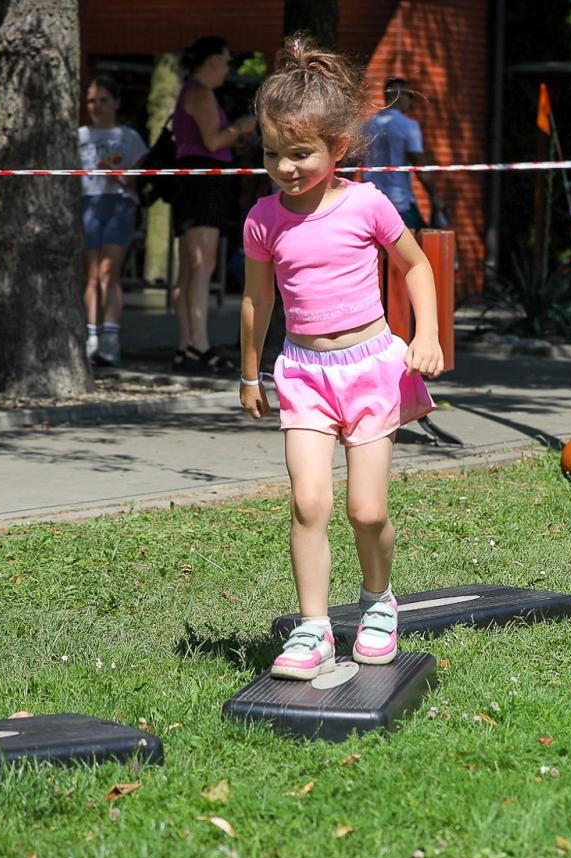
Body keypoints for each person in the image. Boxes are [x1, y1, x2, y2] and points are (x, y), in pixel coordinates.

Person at [238, 36, 443, 680]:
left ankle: (379, 601)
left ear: (338, 148)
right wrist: (249, 373)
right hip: (303, 374)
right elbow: (256, 301)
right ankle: (314, 627)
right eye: (272, 153)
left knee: (367, 511)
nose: (285, 167)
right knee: (308, 503)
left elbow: (415, 266)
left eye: (300, 153)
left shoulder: (366, 204)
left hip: (371, 369)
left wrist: (428, 336)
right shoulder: (263, 220)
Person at [171, 36, 258, 374]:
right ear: (211, 61)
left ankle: (186, 345)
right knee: (201, 263)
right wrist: (241, 127)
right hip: (203, 182)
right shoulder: (200, 93)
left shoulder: (191, 92)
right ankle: (199, 344)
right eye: (226, 60)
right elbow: (212, 140)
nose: (228, 68)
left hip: (194, 180)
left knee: (190, 267)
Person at [78, 75, 149, 367]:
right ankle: (92, 337)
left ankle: (111, 338)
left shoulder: (128, 137)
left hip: (119, 205)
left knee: (110, 272)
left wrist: (122, 176)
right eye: (91, 101)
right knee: (92, 274)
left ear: (116, 103)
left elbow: (139, 178)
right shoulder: (79, 136)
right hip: (88, 204)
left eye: (103, 100)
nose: (96, 106)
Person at [362, 77, 444, 231]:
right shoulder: (408, 126)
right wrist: (435, 196)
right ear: (398, 95)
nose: (411, 102)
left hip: (370, 202)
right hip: (399, 203)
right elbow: (420, 168)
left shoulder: (367, 126)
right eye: (409, 95)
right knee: (422, 241)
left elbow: (352, 164)